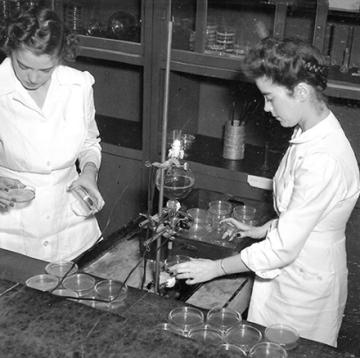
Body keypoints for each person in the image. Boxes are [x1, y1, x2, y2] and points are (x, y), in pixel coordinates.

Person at [170, 37, 360, 347]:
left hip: (305, 289)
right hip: (290, 275)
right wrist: (258, 229)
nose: (266, 108)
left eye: (270, 98)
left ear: (300, 91)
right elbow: (302, 217)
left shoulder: (322, 159)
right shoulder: (307, 130)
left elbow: (286, 246)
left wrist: (214, 269)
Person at [0, 6, 104, 262]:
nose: (33, 78)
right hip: (11, 227)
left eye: (45, 70)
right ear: (10, 49)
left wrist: (89, 174)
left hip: (71, 225)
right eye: (23, 66)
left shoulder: (78, 85)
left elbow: (89, 142)